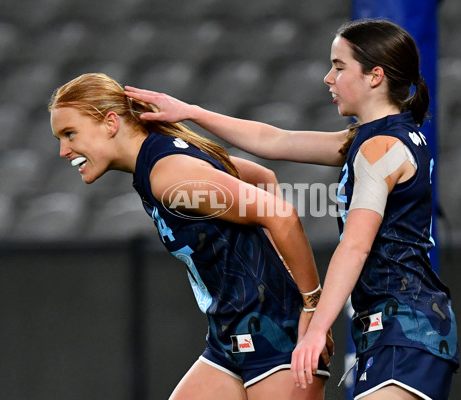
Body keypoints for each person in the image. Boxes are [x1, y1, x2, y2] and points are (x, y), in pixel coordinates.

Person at [125, 19, 459, 400]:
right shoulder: (376, 137)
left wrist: (316, 324)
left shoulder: (377, 148)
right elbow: (275, 140)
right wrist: (191, 112)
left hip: (406, 330)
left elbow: (355, 246)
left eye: (338, 66)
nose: (327, 78)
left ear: (375, 76)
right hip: (395, 331)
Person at [48, 72, 333, 400]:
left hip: (273, 335)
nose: (63, 150)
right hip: (228, 338)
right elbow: (262, 176)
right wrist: (273, 267)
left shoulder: (169, 177)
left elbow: (280, 215)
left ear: (111, 123)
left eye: (70, 134)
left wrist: (311, 307)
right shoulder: (157, 160)